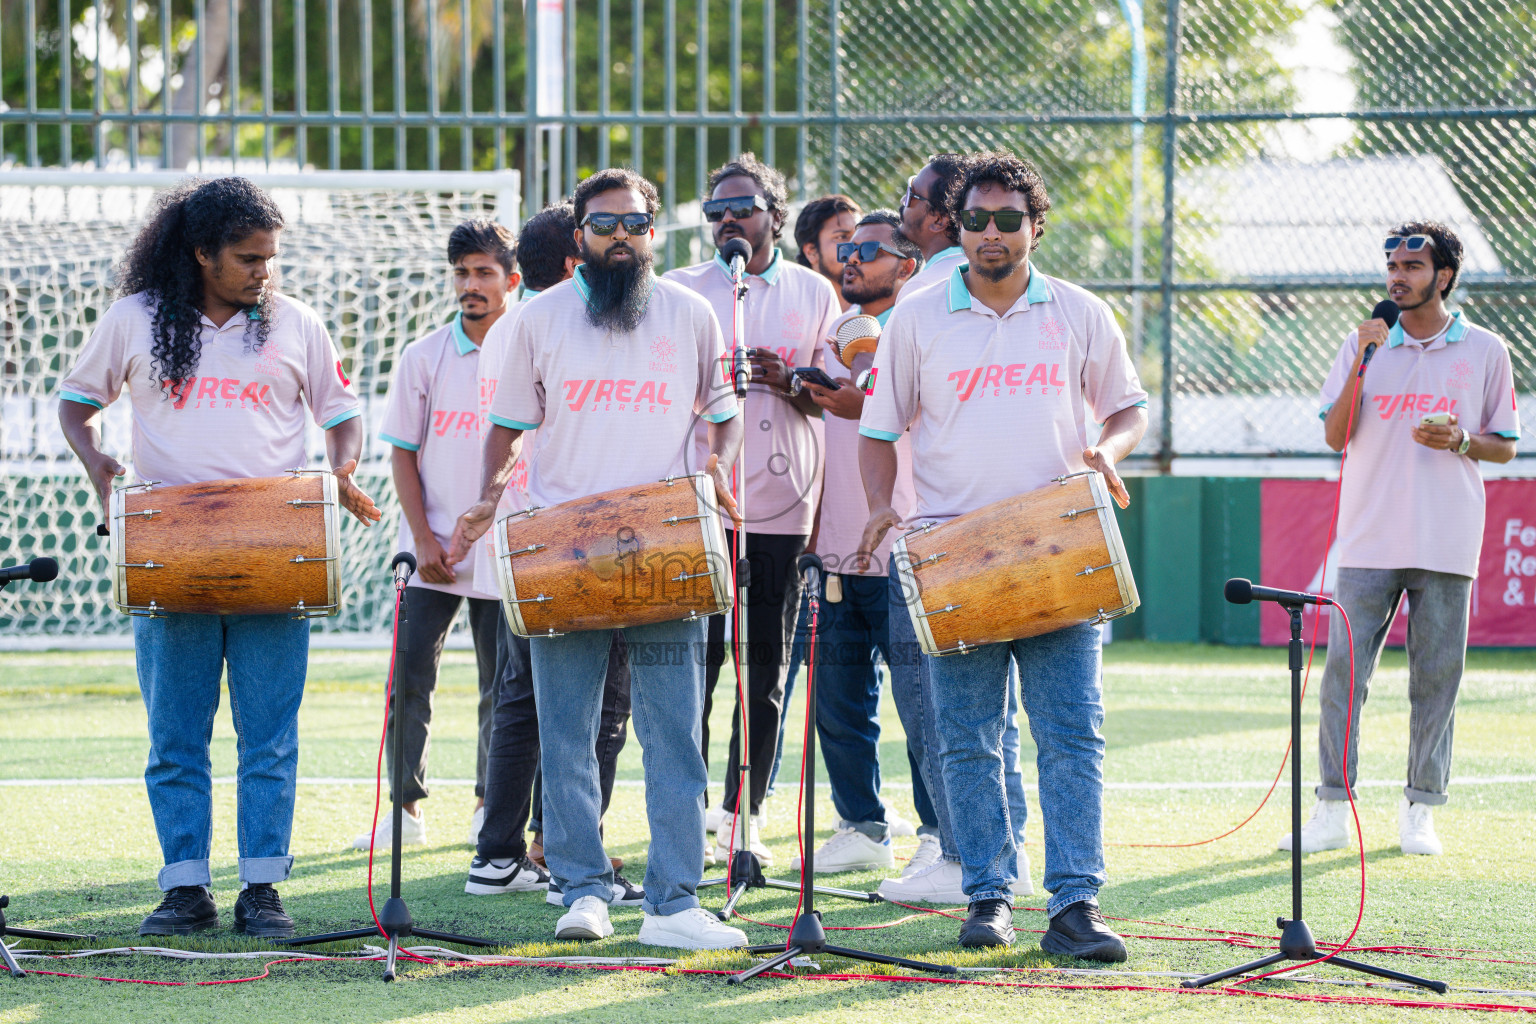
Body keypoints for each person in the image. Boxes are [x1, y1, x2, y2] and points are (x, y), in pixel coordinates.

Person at [57, 177, 381, 938]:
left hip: (278, 551)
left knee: (269, 736)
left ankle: (262, 888)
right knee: (176, 738)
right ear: (201, 253)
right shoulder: (133, 321)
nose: (263, 271)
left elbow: (343, 415)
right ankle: (186, 888)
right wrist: (95, 461)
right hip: (169, 553)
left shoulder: (295, 322)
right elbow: (76, 404)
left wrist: (342, 467)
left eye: (270, 258)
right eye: (246, 258)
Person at [449, 167, 749, 950]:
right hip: (565, 553)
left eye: (634, 223)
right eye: (604, 224)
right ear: (578, 234)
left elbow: (723, 415)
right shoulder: (538, 320)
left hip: (666, 547)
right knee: (568, 732)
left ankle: (674, 903)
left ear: (654, 232)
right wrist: (489, 492)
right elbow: (508, 425)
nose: (620, 236)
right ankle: (581, 889)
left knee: (675, 733)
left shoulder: (692, 315)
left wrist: (717, 463)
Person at [858, 153, 1147, 957]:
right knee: (968, 737)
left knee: (1071, 733)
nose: (993, 233)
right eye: (978, 219)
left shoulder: (1079, 311)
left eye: (1008, 219)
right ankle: (988, 896)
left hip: (1060, 545)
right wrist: (886, 508)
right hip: (954, 555)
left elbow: (1126, 407)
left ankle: (1075, 905)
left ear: (1035, 225)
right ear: (960, 227)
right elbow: (879, 429)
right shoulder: (916, 316)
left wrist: (1108, 449)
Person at [1282, 221, 1519, 857]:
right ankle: (1331, 809)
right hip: (1366, 540)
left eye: (1412, 265)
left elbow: (1504, 446)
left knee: (1436, 678)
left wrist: (1462, 440)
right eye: (1391, 264)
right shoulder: (1362, 344)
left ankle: (1420, 808)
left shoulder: (1486, 350)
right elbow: (1335, 436)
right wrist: (1364, 358)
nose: (1396, 275)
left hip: (1447, 539)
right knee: (1342, 677)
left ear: (1443, 275)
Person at [664, 153, 841, 864]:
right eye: (715, 212)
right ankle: (690, 812)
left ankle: (746, 815)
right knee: (691, 669)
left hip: (780, 504)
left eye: (740, 208)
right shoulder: (679, 289)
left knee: (763, 670)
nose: (727, 221)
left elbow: (831, 396)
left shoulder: (813, 292)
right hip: (698, 503)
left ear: (773, 212)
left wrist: (788, 379)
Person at [464, 202, 640, 903]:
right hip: (568, 539)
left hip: (521, 537)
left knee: (520, 698)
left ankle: (500, 851)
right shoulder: (557, 327)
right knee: (600, 705)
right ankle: (560, 848)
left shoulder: (505, 332)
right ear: (575, 260)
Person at [351, 219, 520, 853]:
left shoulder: (527, 350)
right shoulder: (423, 356)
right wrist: (423, 538)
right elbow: (402, 455)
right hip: (428, 551)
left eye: (483, 272)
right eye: (461, 273)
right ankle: (404, 806)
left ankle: (487, 802)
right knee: (410, 676)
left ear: (512, 278)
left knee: (500, 685)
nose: (470, 285)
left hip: (502, 549)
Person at [896, 153, 972, 298]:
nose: (903, 199)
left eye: (911, 194)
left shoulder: (922, 288)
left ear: (939, 221)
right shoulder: (982, 273)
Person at [793, 193, 862, 311]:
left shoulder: (879, 311)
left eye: (859, 236)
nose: (856, 248)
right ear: (811, 252)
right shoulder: (791, 310)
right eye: (842, 237)